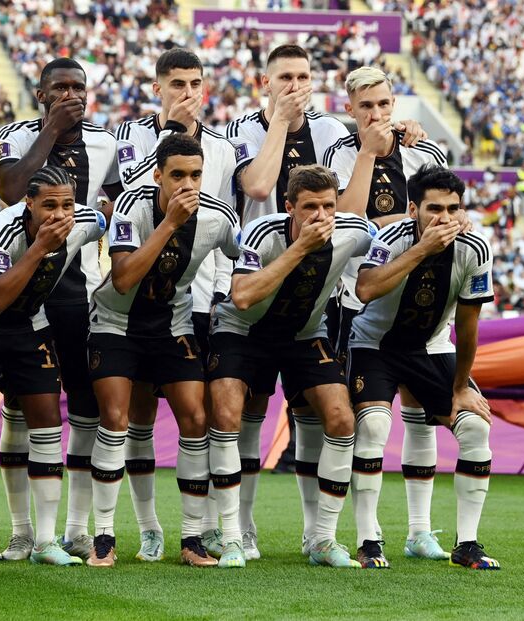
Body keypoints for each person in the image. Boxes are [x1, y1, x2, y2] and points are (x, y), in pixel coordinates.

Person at [225, 47, 426, 559]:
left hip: (322, 295)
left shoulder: (336, 132)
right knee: (245, 408)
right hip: (260, 276)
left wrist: (398, 135)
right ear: (264, 82)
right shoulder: (241, 129)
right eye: (284, 77)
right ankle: (240, 529)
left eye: (304, 76)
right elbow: (260, 185)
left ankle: (319, 535)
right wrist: (281, 123)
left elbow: (352, 206)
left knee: (320, 415)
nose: (295, 85)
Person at [85, 134, 240, 568]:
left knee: (195, 417)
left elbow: (245, 257)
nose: (187, 183)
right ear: (158, 175)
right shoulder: (131, 207)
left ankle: (191, 539)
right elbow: (122, 278)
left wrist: (227, 298)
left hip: (174, 327)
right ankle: (105, 536)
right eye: (177, 175)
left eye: (195, 174)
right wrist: (169, 223)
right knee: (117, 420)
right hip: (116, 325)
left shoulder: (217, 216)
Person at [208, 165, 372, 568]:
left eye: (328, 206)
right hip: (243, 331)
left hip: (303, 333)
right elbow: (242, 296)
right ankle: (232, 534)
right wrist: (299, 249)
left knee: (341, 419)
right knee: (230, 416)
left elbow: (386, 240)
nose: (321, 216)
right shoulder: (264, 233)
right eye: (310, 207)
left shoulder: (352, 232)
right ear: (289, 208)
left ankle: (322, 539)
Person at [323, 66, 454, 566]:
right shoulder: (341, 151)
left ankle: (420, 532)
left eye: (383, 104)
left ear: (393, 101)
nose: (376, 115)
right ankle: (364, 533)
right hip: (360, 300)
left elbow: (444, 212)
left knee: (421, 417)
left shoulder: (425, 151)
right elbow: (345, 220)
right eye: (365, 107)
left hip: (421, 298)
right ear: (350, 108)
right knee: (367, 423)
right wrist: (368, 154)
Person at [0, 57, 122, 560]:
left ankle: (75, 529)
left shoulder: (106, 144)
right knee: (22, 406)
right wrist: (50, 132)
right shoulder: (17, 135)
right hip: (23, 292)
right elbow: (9, 190)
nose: (71, 94)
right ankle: (22, 532)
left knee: (85, 407)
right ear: (42, 94)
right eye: (60, 88)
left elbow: (119, 207)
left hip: (78, 293)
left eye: (79, 87)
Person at [114, 47, 237, 562]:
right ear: (158, 88)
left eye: (196, 83)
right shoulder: (128, 137)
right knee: (139, 413)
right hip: (141, 298)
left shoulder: (225, 147)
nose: (188, 92)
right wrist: (168, 135)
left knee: (203, 413)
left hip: (203, 295)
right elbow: (126, 192)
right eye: (178, 83)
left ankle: (207, 527)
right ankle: (148, 527)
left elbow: (233, 214)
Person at [350, 165, 500, 570]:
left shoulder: (475, 249)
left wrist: (462, 386)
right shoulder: (392, 238)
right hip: (373, 344)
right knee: (375, 427)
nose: (444, 218)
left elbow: (468, 327)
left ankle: (464, 543)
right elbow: (365, 289)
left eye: (453, 209)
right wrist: (422, 250)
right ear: (413, 208)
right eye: (434, 209)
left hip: (432, 347)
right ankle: (369, 540)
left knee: (475, 426)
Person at [0, 166, 106, 566]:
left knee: (47, 425)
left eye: (67, 205)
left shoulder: (84, 220)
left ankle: (43, 541)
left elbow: (107, 216)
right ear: (29, 203)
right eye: (49, 205)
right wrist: (40, 248)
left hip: (30, 327)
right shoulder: (2, 230)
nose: (60, 214)